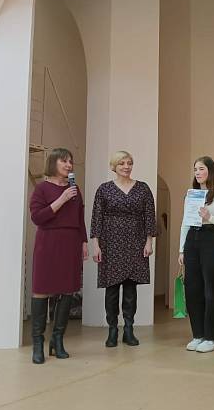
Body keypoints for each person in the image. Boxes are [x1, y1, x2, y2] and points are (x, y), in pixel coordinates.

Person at [90, 151, 156, 347]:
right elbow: (96, 218)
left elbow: (149, 217)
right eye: (122, 163)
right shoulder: (104, 189)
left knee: (130, 289)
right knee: (111, 290)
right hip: (110, 243)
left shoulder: (143, 188)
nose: (126, 167)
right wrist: (96, 245)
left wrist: (149, 242)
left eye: (129, 163)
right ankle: (112, 330)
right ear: (114, 166)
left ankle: (128, 329)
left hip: (135, 241)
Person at [29, 148, 88, 364]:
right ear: (53, 163)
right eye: (64, 161)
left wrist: (83, 242)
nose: (69, 165)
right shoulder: (42, 189)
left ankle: (57, 340)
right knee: (41, 290)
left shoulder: (75, 189)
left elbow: (80, 218)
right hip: (48, 243)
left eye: (70, 161)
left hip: (71, 243)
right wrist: (62, 199)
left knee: (68, 290)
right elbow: (37, 217)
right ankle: (38, 344)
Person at [179, 156, 214, 353]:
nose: (197, 172)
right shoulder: (191, 195)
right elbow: (185, 222)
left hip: (212, 238)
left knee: (211, 289)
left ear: (210, 171)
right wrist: (181, 249)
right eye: (195, 169)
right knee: (192, 288)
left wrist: (210, 217)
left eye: (201, 169)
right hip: (192, 240)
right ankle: (199, 334)